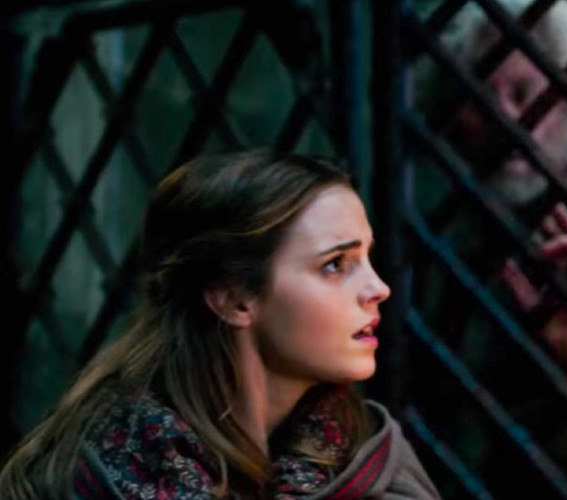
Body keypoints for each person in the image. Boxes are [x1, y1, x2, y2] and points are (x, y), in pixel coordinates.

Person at [0, 150, 441, 499]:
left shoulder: (368, 462)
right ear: (233, 299)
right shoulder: (106, 465)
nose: (379, 288)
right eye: (335, 264)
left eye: (367, 257)